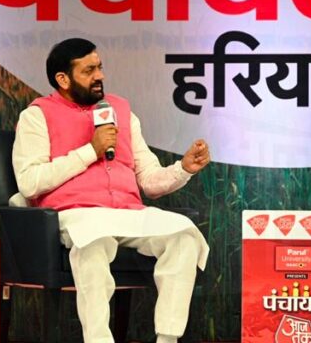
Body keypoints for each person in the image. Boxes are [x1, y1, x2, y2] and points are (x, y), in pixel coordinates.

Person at [11, 38, 211, 343]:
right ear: (62, 79)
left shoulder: (121, 111)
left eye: (99, 67)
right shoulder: (37, 116)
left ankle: (168, 339)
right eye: (88, 70)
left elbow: (149, 180)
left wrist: (183, 169)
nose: (100, 76)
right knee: (93, 241)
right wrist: (91, 151)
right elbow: (29, 182)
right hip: (77, 214)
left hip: (128, 212)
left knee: (183, 234)